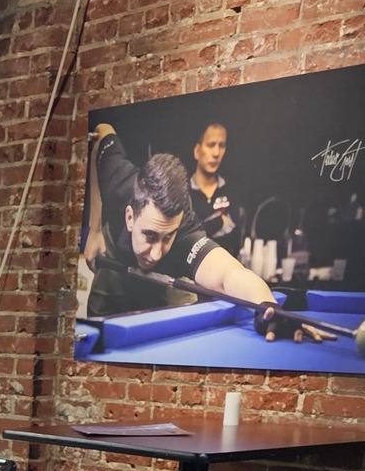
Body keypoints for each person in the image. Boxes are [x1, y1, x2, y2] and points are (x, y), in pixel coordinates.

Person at [83, 124, 289, 325]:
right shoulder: (120, 180)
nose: (156, 254)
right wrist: (94, 229)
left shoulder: (186, 231)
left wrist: (268, 306)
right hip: (116, 256)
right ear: (130, 218)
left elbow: (230, 273)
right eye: (150, 235)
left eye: (168, 237)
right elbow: (102, 131)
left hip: (169, 276)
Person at [186, 122, 243, 248]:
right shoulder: (184, 193)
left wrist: (202, 229)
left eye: (221, 145)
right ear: (197, 151)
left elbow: (237, 239)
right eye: (211, 145)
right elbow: (186, 240)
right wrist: (219, 222)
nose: (216, 153)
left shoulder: (231, 190)